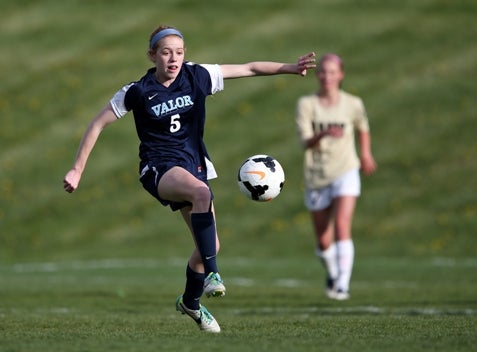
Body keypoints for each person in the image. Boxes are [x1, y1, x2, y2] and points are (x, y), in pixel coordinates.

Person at [63, 25, 316, 332]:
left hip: (192, 166)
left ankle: (191, 303)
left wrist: (291, 68)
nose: (174, 59)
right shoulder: (138, 90)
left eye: (179, 52)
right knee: (201, 194)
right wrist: (77, 168)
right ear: (152, 54)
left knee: (210, 244)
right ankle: (213, 275)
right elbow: (97, 124)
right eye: (166, 52)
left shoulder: (196, 76)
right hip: (158, 169)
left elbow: (248, 68)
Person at [295, 53, 376, 301]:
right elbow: (305, 142)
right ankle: (332, 273)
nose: (327, 76)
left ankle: (343, 284)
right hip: (317, 173)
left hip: (346, 169)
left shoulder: (352, 103)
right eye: (323, 71)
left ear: (341, 75)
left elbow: (363, 127)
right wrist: (323, 134)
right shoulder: (307, 104)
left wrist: (365, 155)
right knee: (323, 238)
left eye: (332, 72)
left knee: (342, 225)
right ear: (317, 75)